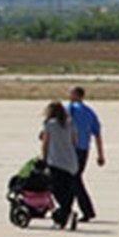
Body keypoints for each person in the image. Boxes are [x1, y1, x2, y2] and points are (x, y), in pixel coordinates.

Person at [66, 86, 104, 222]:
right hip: (84, 150)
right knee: (74, 179)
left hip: (71, 149)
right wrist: (100, 155)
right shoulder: (90, 112)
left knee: (73, 180)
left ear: (76, 95)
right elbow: (97, 134)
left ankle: (85, 210)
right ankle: (70, 209)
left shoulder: (70, 108)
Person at [40, 101, 80, 229]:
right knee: (68, 190)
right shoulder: (71, 123)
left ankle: (65, 213)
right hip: (71, 162)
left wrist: (44, 159)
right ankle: (66, 213)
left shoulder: (49, 125)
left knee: (57, 190)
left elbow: (45, 144)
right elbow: (75, 141)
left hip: (56, 162)